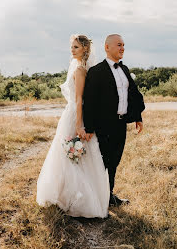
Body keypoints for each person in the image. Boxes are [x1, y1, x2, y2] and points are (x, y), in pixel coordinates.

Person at [36, 34, 110, 218]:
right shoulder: (79, 67)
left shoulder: (80, 70)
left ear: (85, 49)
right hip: (70, 113)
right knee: (68, 155)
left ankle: (78, 199)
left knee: (73, 155)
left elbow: (79, 99)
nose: (72, 50)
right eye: (72, 47)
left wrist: (78, 124)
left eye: (76, 47)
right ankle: (66, 193)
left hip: (74, 116)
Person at [83, 34, 145, 207]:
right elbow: (89, 101)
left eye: (124, 45)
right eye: (119, 44)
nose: (122, 48)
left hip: (120, 124)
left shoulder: (124, 70)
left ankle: (108, 196)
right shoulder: (97, 71)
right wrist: (88, 128)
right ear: (107, 47)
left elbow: (133, 94)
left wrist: (137, 117)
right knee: (103, 162)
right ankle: (99, 197)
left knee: (114, 161)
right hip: (104, 125)